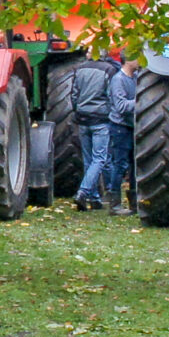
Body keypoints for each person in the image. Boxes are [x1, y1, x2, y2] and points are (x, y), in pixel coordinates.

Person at [67, 48, 118, 209]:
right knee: (100, 159)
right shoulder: (109, 70)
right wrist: (110, 113)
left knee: (88, 160)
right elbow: (111, 95)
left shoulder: (79, 69)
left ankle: (94, 198)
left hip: (83, 119)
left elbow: (73, 95)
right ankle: (83, 192)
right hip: (101, 121)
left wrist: (78, 110)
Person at [105, 54, 136, 215]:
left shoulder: (135, 78)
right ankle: (115, 205)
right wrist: (143, 100)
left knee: (134, 165)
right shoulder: (118, 80)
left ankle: (135, 203)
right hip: (120, 128)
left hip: (132, 127)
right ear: (128, 60)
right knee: (120, 165)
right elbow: (121, 106)